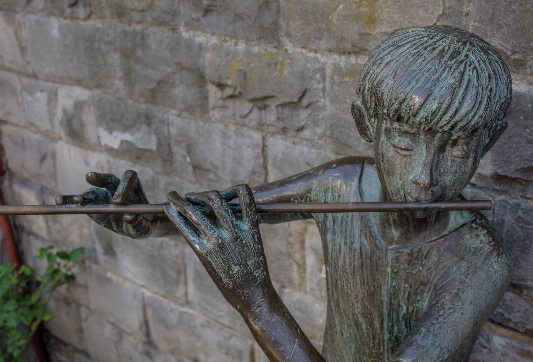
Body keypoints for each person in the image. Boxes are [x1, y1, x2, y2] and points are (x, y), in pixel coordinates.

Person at [59, 26, 512, 362]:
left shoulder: (479, 262)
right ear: (366, 125)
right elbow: (230, 211)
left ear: (487, 143)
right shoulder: (342, 185)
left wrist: (256, 301)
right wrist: (146, 218)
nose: (424, 178)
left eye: (455, 148)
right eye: (404, 142)